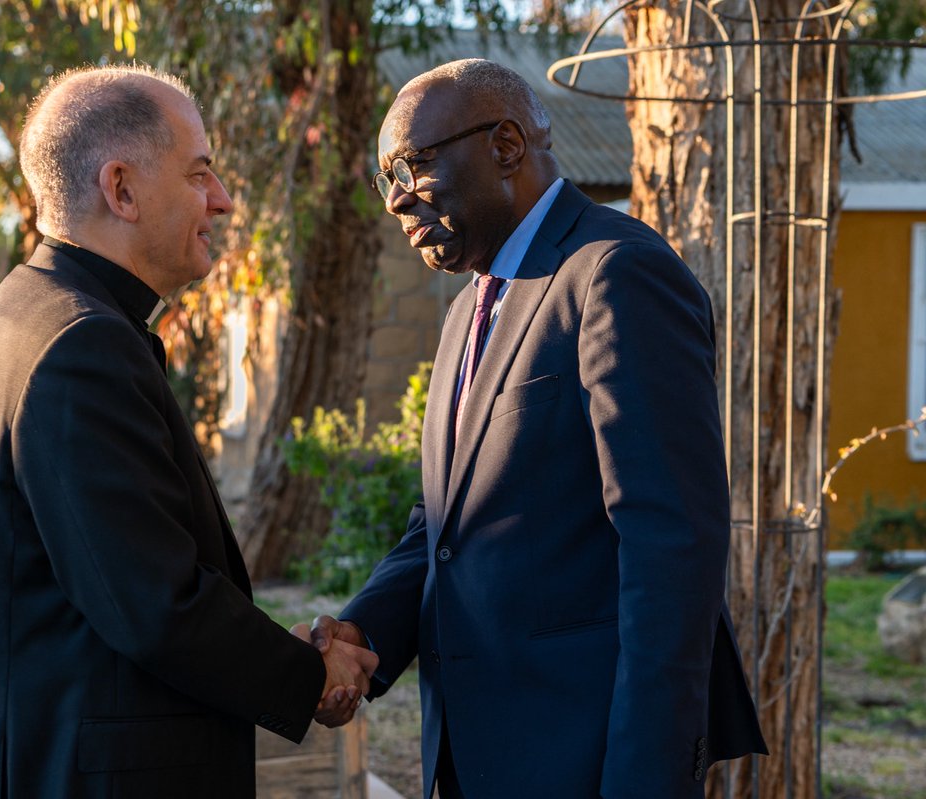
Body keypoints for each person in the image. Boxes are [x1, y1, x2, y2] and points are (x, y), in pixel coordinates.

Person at [0, 64, 377, 799]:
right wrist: (311, 675)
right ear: (120, 189)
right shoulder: (79, 345)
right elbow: (154, 603)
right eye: (200, 173)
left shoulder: (20, 315)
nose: (222, 199)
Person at [308, 59, 768, 798]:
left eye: (412, 165)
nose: (395, 199)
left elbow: (671, 549)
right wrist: (363, 633)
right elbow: (442, 527)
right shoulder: (467, 312)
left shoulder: (615, 273)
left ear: (507, 145)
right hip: (470, 756)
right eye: (383, 177)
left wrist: (644, 778)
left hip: (583, 758)